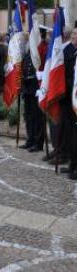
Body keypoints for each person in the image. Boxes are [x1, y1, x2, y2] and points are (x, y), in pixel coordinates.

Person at [19, 27, 49, 153]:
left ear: (40, 36)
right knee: (29, 115)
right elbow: (25, 66)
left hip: (37, 87)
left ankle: (38, 142)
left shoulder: (44, 48)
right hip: (28, 87)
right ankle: (30, 139)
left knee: (37, 117)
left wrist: (42, 83)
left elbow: (47, 67)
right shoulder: (29, 49)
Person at [62, 26, 77, 179]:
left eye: (75, 34)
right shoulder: (68, 50)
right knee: (71, 133)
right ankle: (72, 164)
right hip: (68, 99)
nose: (73, 36)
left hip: (76, 97)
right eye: (72, 33)